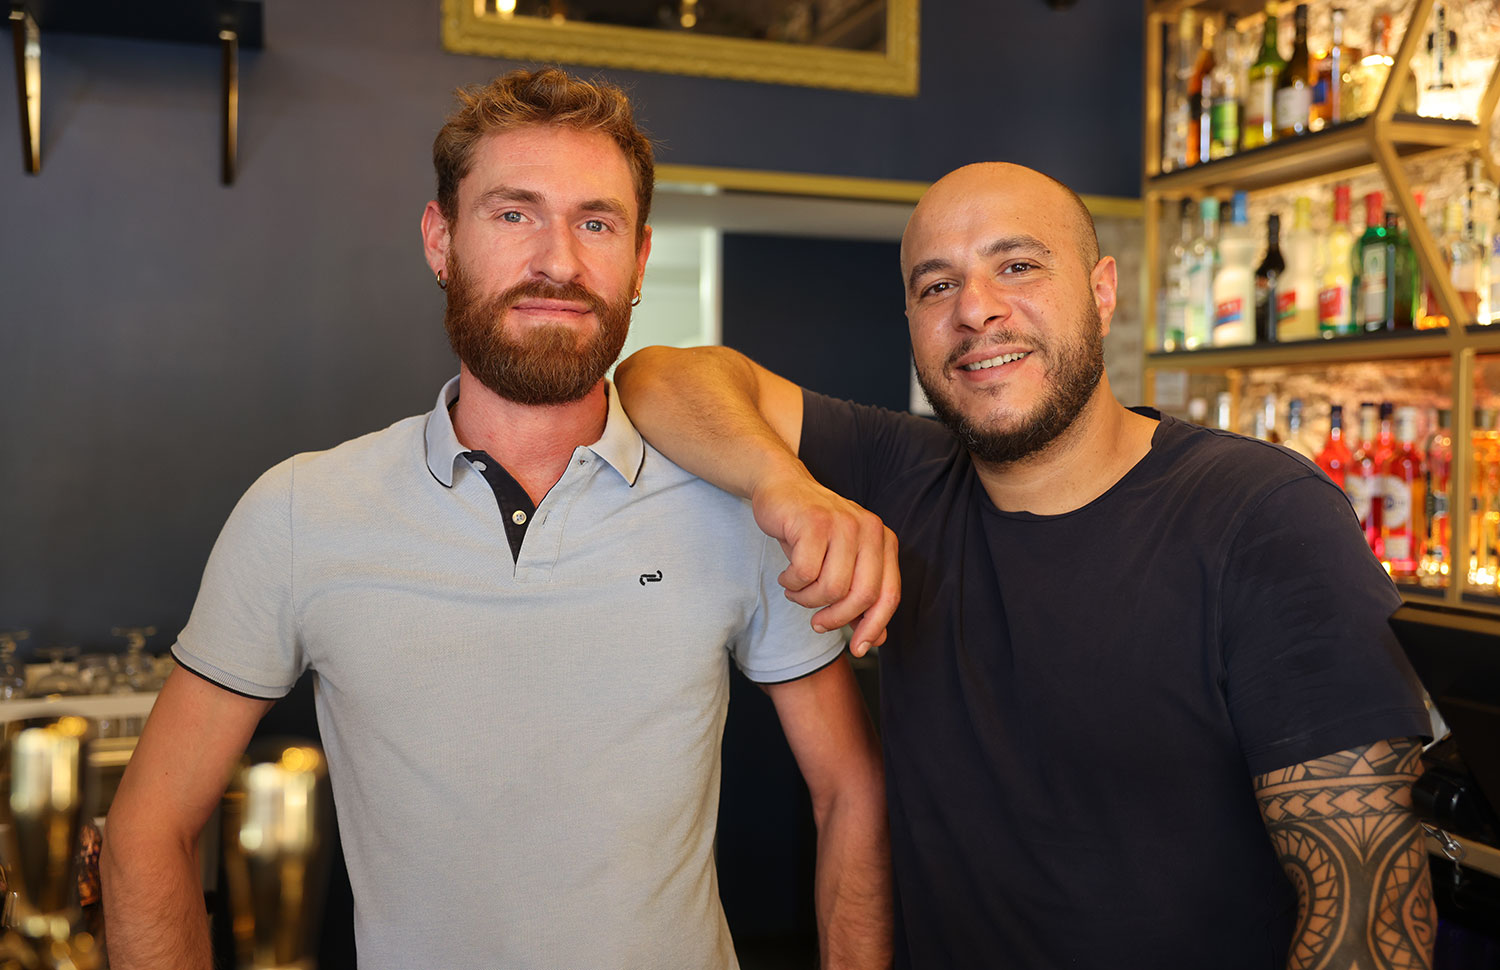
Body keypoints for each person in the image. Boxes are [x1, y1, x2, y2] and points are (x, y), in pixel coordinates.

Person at [100, 68, 891, 970]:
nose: (558, 260)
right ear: (441, 241)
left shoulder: (738, 506)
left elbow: (850, 793)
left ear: (636, 263)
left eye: (596, 222)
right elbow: (147, 829)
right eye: (514, 214)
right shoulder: (299, 512)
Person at [614, 161, 1437, 970]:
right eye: (936, 286)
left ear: (1102, 290)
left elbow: (1366, 908)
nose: (976, 309)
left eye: (1017, 266)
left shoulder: (1262, 516)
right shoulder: (905, 472)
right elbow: (662, 374)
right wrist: (787, 489)